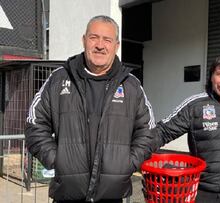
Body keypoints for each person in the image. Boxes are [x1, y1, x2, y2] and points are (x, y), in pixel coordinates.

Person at [25, 15, 155, 203]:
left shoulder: (131, 86)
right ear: (84, 40)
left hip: (112, 196)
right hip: (68, 195)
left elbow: (148, 131)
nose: (100, 45)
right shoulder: (59, 79)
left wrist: (127, 164)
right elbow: (34, 124)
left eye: (107, 40)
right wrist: (58, 161)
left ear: (116, 46)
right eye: (94, 37)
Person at [152, 54, 220, 203]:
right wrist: (135, 153)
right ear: (211, 77)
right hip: (202, 191)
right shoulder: (195, 105)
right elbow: (163, 131)